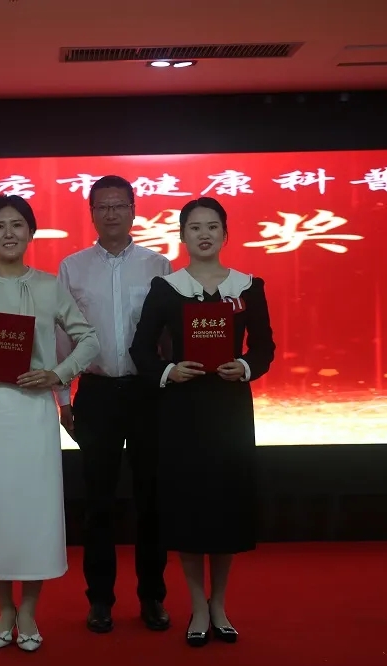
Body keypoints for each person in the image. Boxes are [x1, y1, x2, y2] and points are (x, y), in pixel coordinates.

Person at [0, 194, 99, 652]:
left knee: (34, 510)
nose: (8, 233)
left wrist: (57, 375)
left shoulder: (49, 286)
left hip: (33, 410)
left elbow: (88, 340)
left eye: (17, 225)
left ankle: (28, 609)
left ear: (31, 233)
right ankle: (4, 609)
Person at [128, 196, 275, 647]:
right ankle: (196, 605)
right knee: (189, 508)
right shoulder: (166, 288)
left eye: (212, 226)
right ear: (182, 236)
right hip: (182, 411)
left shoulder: (247, 287)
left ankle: (219, 605)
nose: (204, 234)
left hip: (229, 409)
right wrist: (170, 371)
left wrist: (244, 366)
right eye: (195, 227)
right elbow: (140, 350)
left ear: (225, 234)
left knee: (225, 507)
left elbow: (264, 348)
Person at [55, 175, 173, 634]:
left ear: (133, 211)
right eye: (102, 206)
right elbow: (62, 336)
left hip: (148, 393)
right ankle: (100, 599)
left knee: (152, 500)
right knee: (98, 502)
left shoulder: (158, 265)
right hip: (97, 393)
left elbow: (168, 336)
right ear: (91, 213)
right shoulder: (72, 268)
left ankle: (152, 597)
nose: (111, 213)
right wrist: (63, 397)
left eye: (119, 205)